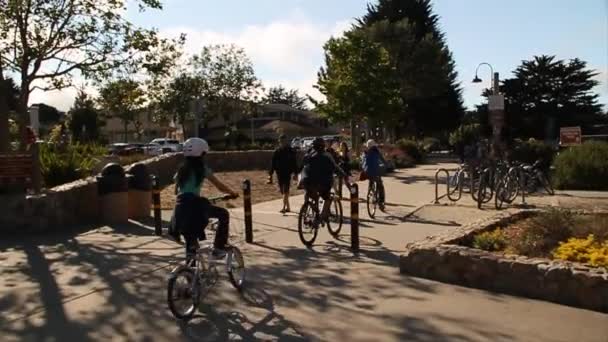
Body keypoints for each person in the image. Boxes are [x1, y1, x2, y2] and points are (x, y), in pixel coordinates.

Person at [172, 137, 239, 258]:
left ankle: (190, 273)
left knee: (190, 244)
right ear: (201, 153)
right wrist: (232, 193)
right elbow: (220, 186)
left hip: (180, 208)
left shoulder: (181, 170)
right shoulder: (201, 169)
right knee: (224, 214)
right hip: (195, 206)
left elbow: (177, 191)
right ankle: (219, 248)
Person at [301, 137, 349, 224]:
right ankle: (321, 217)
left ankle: (310, 211)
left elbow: (302, 166)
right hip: (322, 184)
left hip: (308, 182)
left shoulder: (308, 155)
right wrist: (344, 175)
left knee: (313, 194)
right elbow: (335, 167)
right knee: (327, 198)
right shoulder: (327, 156)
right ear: (323, 146)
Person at [268, 134, 298, 213]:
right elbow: (273, 163)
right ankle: (288, 207)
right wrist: (270, 174)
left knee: (285, 191)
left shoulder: (291, 151)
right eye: (281, 141)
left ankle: (284, 208)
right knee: (283, 191)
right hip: (279, 173)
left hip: (287, 173)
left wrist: (295, 173)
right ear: (279, 142)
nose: (283, 142)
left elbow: (294, 163)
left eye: (284, 141)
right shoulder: (277, 151)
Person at [361, 139, 386, 210]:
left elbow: (362, 162)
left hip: (367, 173)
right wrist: (385, 165)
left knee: (371, 180)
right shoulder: (376, 152)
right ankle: (381, 203)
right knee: (380, 186)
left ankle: (370, 194)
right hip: (376, 173)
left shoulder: (365, 153)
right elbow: (383, 161)